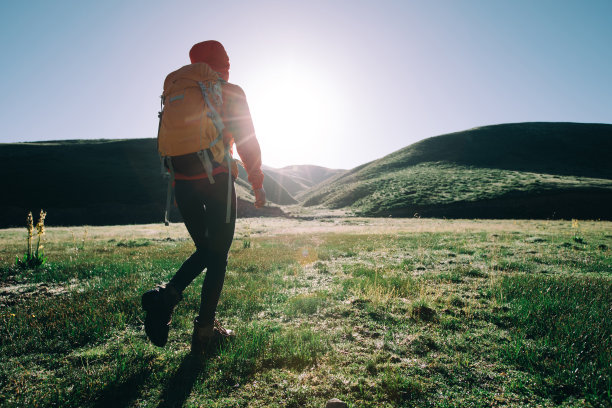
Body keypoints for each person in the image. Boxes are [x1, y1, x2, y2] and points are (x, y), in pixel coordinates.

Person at [141, 40, 266, 353]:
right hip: (218, 179)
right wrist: (257, 183)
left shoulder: (179, 90)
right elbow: (247, 141)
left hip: (182, 183)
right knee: (218, 254)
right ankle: (200, 330)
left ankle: (169, 302)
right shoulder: (230, 90)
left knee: (207, 251)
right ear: (223, 63)